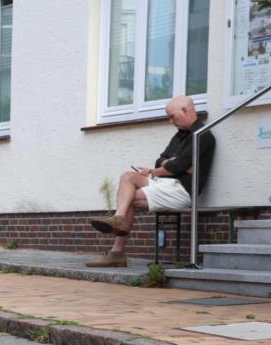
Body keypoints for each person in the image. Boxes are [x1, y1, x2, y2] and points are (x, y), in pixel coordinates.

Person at [86, 96, 216, 267]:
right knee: (127, 177)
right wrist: (170, 165)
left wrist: (159, 170)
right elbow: (163, 161)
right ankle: (118, 219)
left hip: (182, 190)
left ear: (185, 110)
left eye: (172, 116)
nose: (170, 121)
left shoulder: (203, 135)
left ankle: (116, 252)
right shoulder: (179, 135)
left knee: (128, 198)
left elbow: (176, 166)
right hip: (166, 184)